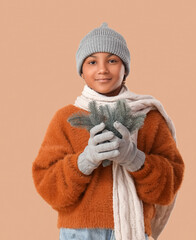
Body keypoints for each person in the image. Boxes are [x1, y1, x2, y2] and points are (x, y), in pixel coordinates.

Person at [32, 22, 185, 240]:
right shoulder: (65, 119)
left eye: (112, 60)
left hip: (134, 229)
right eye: (92, 62)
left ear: (125, 69)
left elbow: (168, 186)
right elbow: (47, 184)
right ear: (81, 71)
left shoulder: (149, 118)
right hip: (80, 232)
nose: (102, 69)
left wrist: (135, 159)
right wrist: (84, 162)